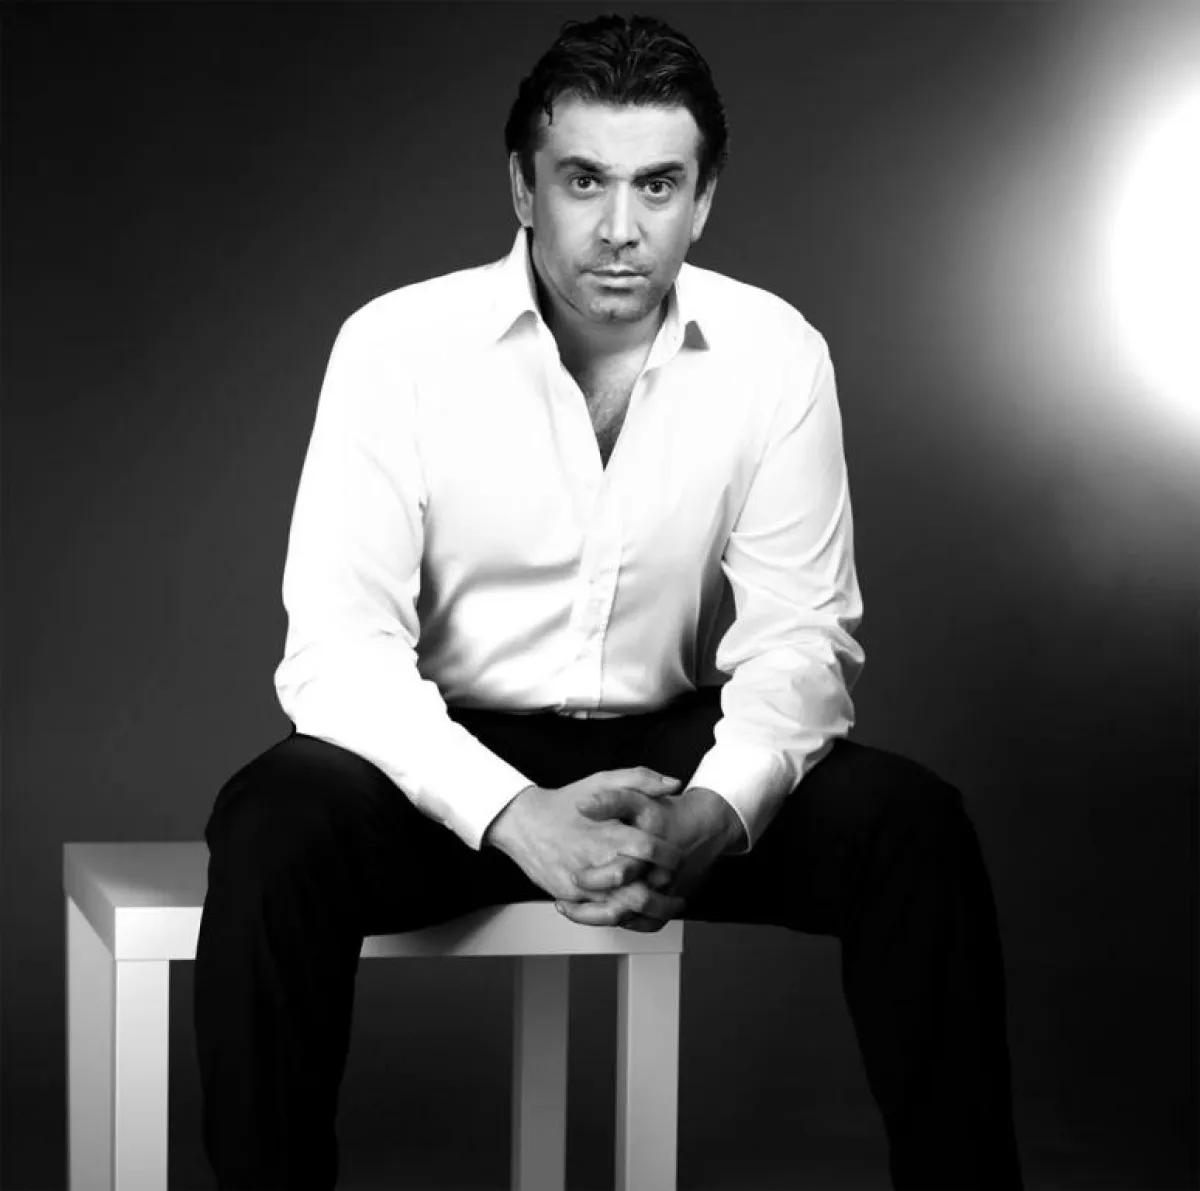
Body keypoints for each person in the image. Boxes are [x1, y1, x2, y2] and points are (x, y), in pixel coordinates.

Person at [194, 13, 1024, 1190]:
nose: (621, 228)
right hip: (444, 765)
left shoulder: (777, 353)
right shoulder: (397, 346)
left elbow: (801, 642)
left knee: (914, 828)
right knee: (272, 824)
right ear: (524, 189)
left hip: (665, 767)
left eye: (658, 185)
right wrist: (515, 814)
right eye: (584, 180)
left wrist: (715, 815)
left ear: (704, 198)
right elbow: (339, 653)